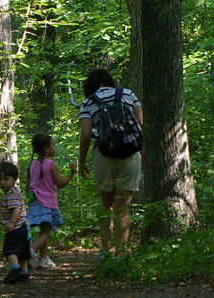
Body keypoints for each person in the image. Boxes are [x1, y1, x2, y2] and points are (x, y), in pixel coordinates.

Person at [78, 69, 143, 259]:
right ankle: (121, 253)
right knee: (123, 207)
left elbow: (85, 135)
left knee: (106, 204)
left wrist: (82, 162)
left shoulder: (88, 101)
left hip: (103, 154)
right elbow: (140, 125)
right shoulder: (128, 94)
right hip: (130, 154)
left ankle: (105, 251)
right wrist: (141, 153)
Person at [26, 134, 75, 268]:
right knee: (46, 232)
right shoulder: (51, 165)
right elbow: (60, 183)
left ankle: (44, 259)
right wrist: (71, 174)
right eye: (53, 145)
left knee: (44, 232)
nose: (55, 148)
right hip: (47, 204)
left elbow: (28, 186)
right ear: (46, 148)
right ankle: (30, 252)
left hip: (35, 202)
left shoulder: (32, 164)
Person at [0, 162, 31, 284]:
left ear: (15, 179)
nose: (2, 183)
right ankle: (24, 273)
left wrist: (11, 223)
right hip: (22, 228)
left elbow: (16, 209)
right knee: (22, 252)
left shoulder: (11, 193)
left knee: (10, 250)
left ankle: (15, 269)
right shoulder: (14, 191)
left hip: (15, 228)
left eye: (6, 179)